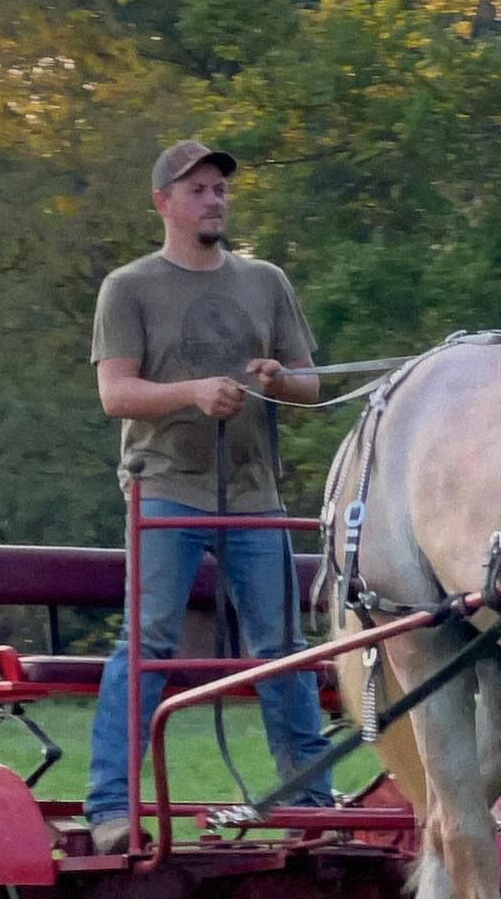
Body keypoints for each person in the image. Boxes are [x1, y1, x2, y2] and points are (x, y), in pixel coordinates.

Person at [84, 138, 333, 854]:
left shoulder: (266, 282)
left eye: (220, 189)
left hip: (253, 493)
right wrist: (194, 392)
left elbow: (310, 383)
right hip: (164, 487)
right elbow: (114, 392)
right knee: (149, 641)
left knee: (283, 647)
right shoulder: (129, 288)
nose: (214, 200)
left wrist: (277, 379)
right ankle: (111, 805)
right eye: (197, 190)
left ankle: (309, 799)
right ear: (164, 203)